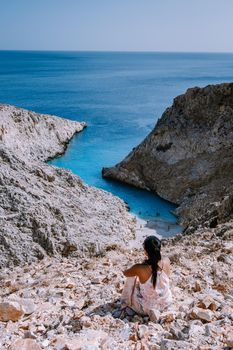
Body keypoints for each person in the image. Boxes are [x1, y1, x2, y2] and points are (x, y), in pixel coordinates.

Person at [120, 235, 172, 316]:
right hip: (165, 304)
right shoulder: (167, 261)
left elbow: (126, 273)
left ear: (145, 251)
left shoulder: (139, 268)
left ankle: (125, 302)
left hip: (145, 309)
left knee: (132, 277)